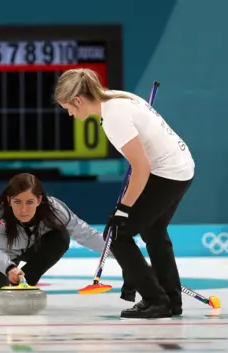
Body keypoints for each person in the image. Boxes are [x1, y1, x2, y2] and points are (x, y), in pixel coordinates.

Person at [54, 68, 195, 319]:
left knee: (117, 233)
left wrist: (123, 210)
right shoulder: (115, 97)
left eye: (68, 108)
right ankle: (170, 300)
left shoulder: (113, 118)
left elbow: (142, 168)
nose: (69, 113)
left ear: (77, 100)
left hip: (168, 173)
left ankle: (155, 300)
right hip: (181, 167)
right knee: (154, 231)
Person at [0, 173, 109, 304]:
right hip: (0, 256)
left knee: (60, 237)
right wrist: (10, 268)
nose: (23, 210)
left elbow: (86, 234)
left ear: (39, 199)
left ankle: (26, 282)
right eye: (17, 202)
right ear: (9, 200)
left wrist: (119, 250)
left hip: (32, 246)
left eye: (29, 202)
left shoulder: (55, 210)